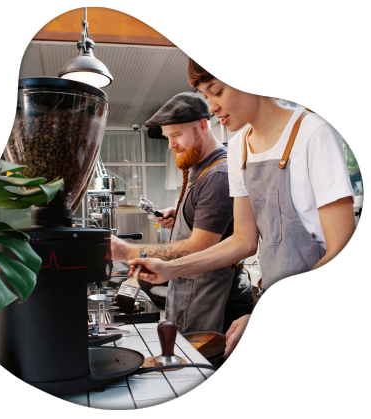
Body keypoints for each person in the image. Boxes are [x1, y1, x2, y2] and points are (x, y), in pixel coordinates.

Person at [127, 59, 356, 359]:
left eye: (217, 91)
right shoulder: (238, 149)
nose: (212, 106)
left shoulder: (312, 133)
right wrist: (170, 269)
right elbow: (243, 242)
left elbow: (340, 246)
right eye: (206, 96)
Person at [111, 92, 254, 338]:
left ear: (203, 125)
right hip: (194, 296)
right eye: (168, 137)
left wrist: (128, 252)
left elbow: (200, 246)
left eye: (177, 135)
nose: (171, 144)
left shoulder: (218, 174)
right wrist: (181, 215)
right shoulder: (203, 168)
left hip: (216, 302)